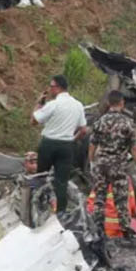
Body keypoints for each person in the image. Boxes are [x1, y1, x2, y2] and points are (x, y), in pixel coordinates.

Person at [30, 74, 86, 214]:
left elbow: (33, 121)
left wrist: (39, 103)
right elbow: (83, 129)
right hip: (66, 146)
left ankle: (38, 208)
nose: (50, 89)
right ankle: (61, 213)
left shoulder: (53, 104)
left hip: (49, 144)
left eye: (51, 86)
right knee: (61, 181)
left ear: (57, 88)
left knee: (41, 177)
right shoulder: (78, 105)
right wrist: (73, 140)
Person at [88, 90, 136, 238]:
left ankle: (98, 229)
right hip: (118, 166)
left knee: (100, 198)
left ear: (109, 103)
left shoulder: (100, 122)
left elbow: (92, 145)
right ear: (122, 103)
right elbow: (134, 147)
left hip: (101, 164)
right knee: (121, 199)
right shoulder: (127, 123)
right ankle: (125, 230)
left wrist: (92, 161)